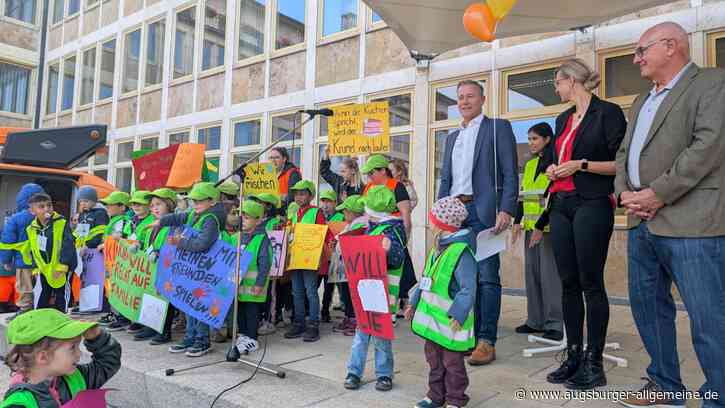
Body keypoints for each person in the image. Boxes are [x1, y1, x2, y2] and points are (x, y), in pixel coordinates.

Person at [614, 22, 725, 408]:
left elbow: (708, 146)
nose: (636, 58)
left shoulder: (712, 83)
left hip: (693, 223)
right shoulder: (641, 100)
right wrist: (625, 193)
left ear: (671, 46)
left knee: (709, 317)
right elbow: (623, 154)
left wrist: (657, 193)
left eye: (642, 50)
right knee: (647, 308)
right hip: (642, 222)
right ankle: (665, 385)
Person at [535, 59, 626, 390]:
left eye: (556, 83)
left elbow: (621, 163)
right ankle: (573, 355)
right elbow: (552, 160)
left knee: (591, 282)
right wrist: (552, 169)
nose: (555, 89)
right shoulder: (561, 119)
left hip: (592, 202)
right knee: (568, 282)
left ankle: (594, 363)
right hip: (561, 204)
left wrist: (581, 164)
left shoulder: (608, 113)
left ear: (571, 80)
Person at [437, 80, 518, 366]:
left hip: (485, 213)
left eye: (470, 96)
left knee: (487, 277)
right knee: (461, 279)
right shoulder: (451, 137)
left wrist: (507, 208)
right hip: (456, 214)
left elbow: (510, 173)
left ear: (483, 99)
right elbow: (445, 179)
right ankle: (467, 337)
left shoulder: (498, 128)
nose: (464, 101)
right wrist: (440, 213)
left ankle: (486, 341)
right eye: (460, 97)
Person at [406, 196, 477, 408]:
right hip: (433, 322)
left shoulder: (461, 252)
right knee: (434, 361)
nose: (431, 224)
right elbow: (425, 281)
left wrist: (459, 313)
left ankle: (455, 399)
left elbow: (468, 288)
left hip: (450, 321)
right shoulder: (438, 247)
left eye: (433, 220)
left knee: (452, 363)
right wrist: (414, 302)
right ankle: (435, 396)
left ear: (443, 225)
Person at [343, 186, 405, 393]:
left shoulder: (393, 231)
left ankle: (384, 374)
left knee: (381, 336)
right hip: (366, 291)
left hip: (383, 294)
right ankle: (354, 372)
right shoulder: (372, 227)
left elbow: (397, 259)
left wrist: (388, 251)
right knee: (361, 334)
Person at [159, 182, 227, 357]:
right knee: (188, 303)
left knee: (200, 304)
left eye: (199, 201)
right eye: (193, 201)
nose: (195, 204)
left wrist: (179, 242)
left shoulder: (210, 219)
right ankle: (190, 336)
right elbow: (179, 217)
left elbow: (202, 244)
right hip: (190, 269)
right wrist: (161, 221)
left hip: (204, 270)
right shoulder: (194, 214)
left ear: (211, 202)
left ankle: (202, 340)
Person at [2, 309, 121, 407]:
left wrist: (97, 338)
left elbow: (108, 363)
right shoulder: (19, 403)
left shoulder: (76, 378)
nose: (79, 353)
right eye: (72, 347)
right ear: (43, 357)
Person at [511, 123, 563, 341]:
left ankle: (555, 324)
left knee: (550, 277)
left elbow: (555, 198)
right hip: (530, 229)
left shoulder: (556, 165)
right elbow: (524, 196)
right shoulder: (531, 164)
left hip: (548, 230)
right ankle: (535, 321)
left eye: (535, 138)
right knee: (532, 276)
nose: (531, 142)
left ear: (547, 139)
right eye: (529, 138)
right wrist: (516, 222)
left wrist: (541, 226)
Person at [283, 180, 330, 343]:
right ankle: (299, 322)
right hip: (296, 257)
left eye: (302, 193)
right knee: (297, 291)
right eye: (296, 193)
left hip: (309, 259)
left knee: (310, 291)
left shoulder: (317, 212)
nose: (298, 196)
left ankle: (313, 324)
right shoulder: (295, 214)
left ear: (310, 195)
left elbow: (322, 233)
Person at [133, 188, 178, 345]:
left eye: (159, 204)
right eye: (152, 205)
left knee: (165, 299)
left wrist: (159, 253)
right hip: (152, 268)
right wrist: (139, 245)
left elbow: (174, 246)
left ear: (170, 205)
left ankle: (164, 331)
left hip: (167, 269)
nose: (154, 208)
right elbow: (145, 240)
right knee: (151, 297)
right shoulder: (154, 224)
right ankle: (151, 326)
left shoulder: (173, 224)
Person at [231, 200, 272, 355]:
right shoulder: (236, 237)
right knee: (240, 311)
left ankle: (252, 338)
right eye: (241, 216)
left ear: (258, 220)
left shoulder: (262, 239)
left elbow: (264, 264)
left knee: (252, 312)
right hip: (238, 286)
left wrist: (259, 284)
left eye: (247, 217)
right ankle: (243, 335)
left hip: (253, 287)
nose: (242, 220)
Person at [24, 193, 77, 312]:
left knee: (61, 295)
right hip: (44, 269)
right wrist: (36, 268)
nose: (47, 209)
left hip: (61, 268)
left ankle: (62, 318)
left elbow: (68, 245)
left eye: (49, 205)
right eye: (41, 207)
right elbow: (34, 250)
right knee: (42, 294)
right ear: (32, 211)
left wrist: (62, 266)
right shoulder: (31, 228)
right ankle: (41, 318)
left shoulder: (61, 223)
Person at [0, 183, 45, 318]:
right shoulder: (47, 217)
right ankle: (41, 309)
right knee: (41, 286)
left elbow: (7, 242)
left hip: (23, 261)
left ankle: (25, 311)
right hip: (44, 262)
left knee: (24, 287)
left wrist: (6, 260)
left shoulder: (16, 219)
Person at [114, 191, 154, 334]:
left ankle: (142, 322)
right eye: (134, 203)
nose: (136, 206)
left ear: (148, 205)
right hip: (130, 262)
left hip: (144, 263)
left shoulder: (151, 221)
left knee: (142, 292)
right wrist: (120, 237)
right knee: (131, 291)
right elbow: (126, 236)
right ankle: (133, 319)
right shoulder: (132, 220)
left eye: (139, 203)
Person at [329, 195, 367, 336]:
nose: (343, 214)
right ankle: (349, 317)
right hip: (346, 268)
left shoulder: (361, 224)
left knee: (352, 296)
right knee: (346, 295)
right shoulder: (352, 224)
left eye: (345, 211)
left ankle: (354, 321)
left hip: (353, 268)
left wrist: (337, 242)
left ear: (352, 212)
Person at [387, 159, 418, 318]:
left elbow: (411, 203)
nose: (388, 172)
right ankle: (403, 299)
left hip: (399, 230)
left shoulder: (405, 186)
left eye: (391, 169)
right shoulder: (388, 185)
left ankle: (406, 300)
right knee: (402, 266)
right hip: (390, 229)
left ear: (399, 171)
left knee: (402, 265)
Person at [96, 191, 131, 328]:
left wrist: (105, 244)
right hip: (110, 261)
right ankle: (114, 313)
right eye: (107, 205)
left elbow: (120, 239)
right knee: (111, 287)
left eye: (111, 205)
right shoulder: (114, 220)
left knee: (118, 288)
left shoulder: (123, 221)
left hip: (117, 261)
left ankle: (121, 316)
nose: (107, 208)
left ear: (122, 207)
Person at [361, 155, 412, 237]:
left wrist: (404, 238)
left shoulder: (396, 186)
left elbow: (405, 214)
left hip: (392, 234)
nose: (369, 176)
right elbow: (365, 213)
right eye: (367, 174)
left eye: (371, 173)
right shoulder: (369, 187)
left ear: (383, 170)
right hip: (372, 233)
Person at [318, 189, 343, 323]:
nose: (325, 204)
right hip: (319, 256)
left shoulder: (340, 217)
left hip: (333, 258)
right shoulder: (318, 216)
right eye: (323, 201)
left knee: (329, 287)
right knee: (315, 284)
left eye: (329, 201)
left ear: (335, 203)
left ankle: (325, 310)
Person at [74, 186, 109, 252]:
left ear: (94, 201)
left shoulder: (100, 213)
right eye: (80, 202)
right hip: (81, 248)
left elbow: (99, 234)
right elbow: (79, 232)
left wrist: (87, 246)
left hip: (94, 250)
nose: (83, 204)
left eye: (86, 201)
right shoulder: (83, 213)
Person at [269, 147, 302, 213]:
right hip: (271, 213)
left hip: (287, 214)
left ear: (284, 159)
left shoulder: (293, 173)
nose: (273, 160)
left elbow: (292, 197)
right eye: (271, 158)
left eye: (276, 157)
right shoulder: (267, 175)